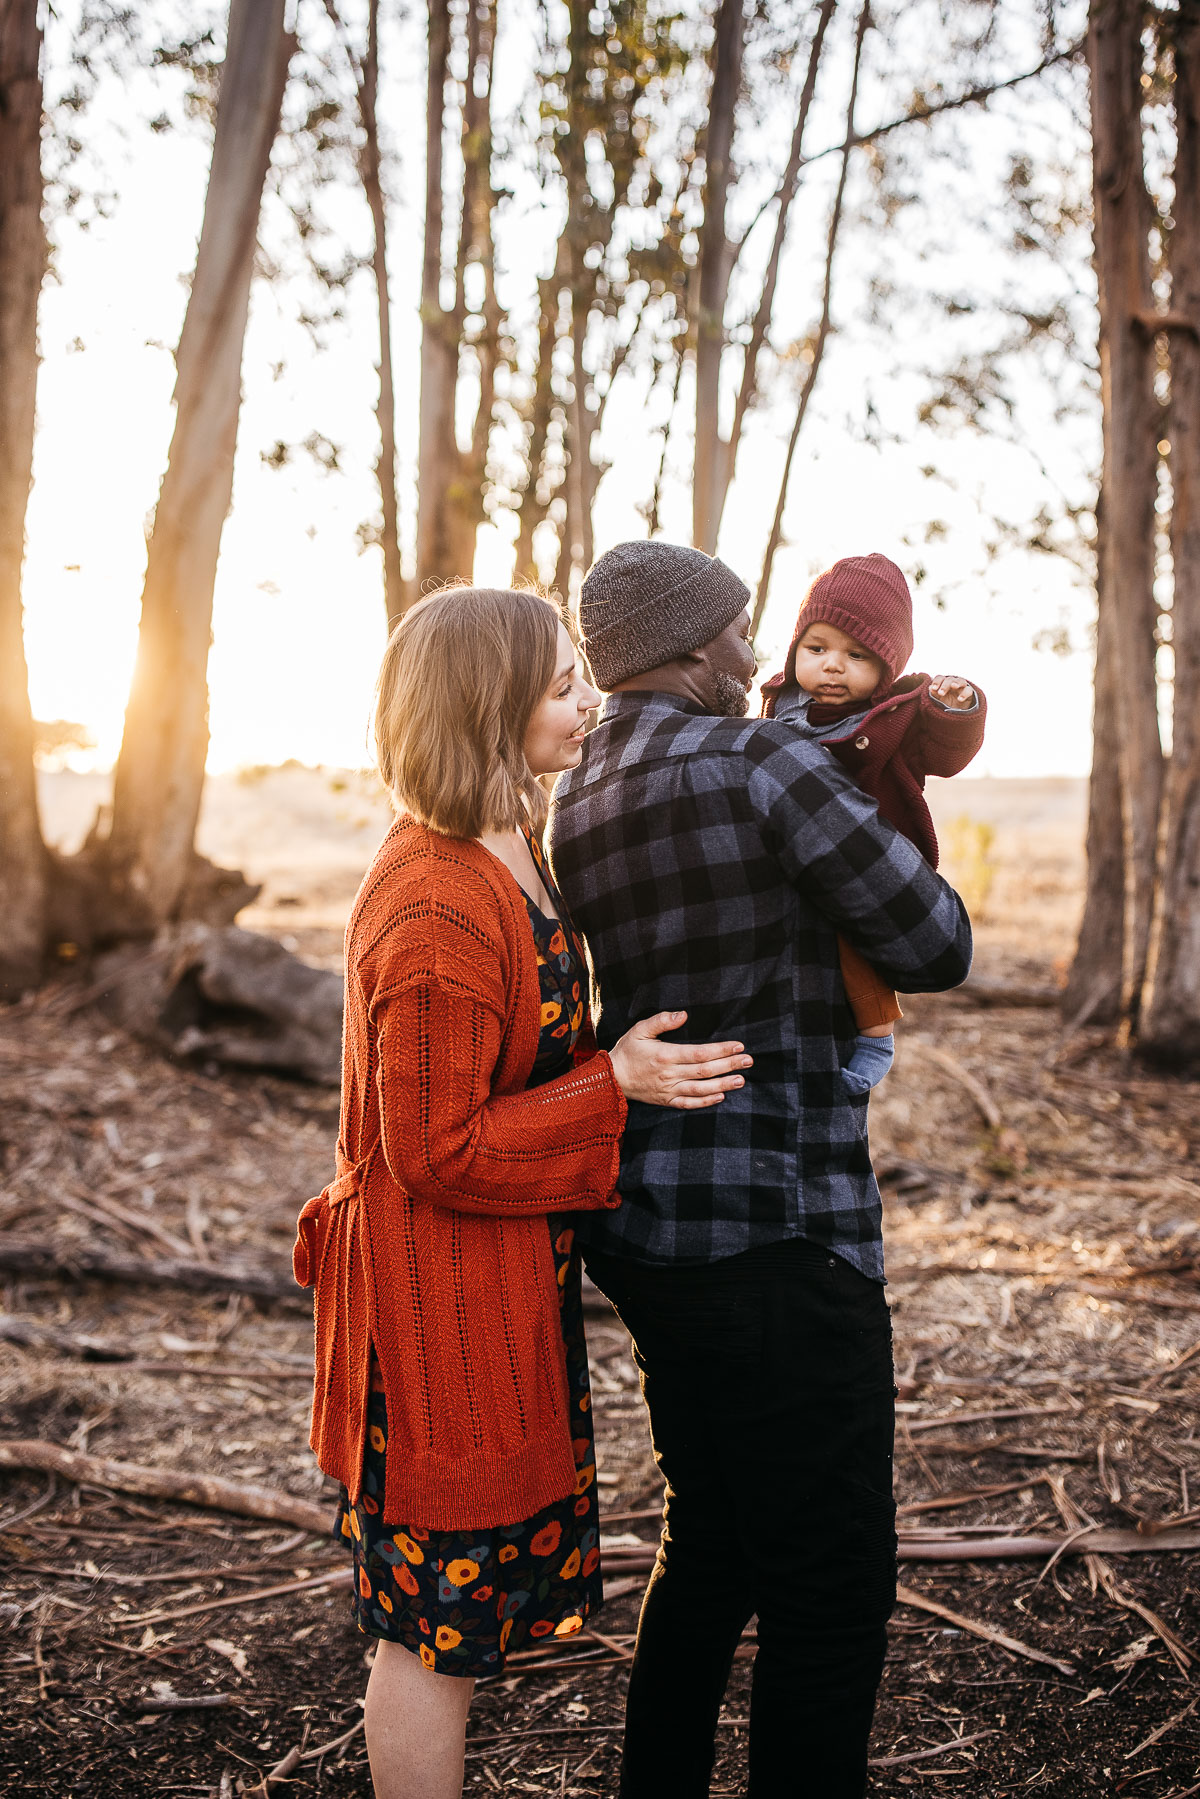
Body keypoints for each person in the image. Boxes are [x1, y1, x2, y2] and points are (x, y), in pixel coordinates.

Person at [292, 585, 752, 1799]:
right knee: (430, 1635)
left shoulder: (512, 837)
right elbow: (432, 1147)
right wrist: (619, 1083)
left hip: (496, 1285)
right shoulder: (437, 901)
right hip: (433, 1311)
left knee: (459, 1619)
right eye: (559, 684)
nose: (588, 699)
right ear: (484, 707)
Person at [546, 541, 974, 1799]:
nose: (756, 656)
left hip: (653, 1232)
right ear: (687, 651)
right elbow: (934, 939)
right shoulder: (762, 759)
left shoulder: (578, 793)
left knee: (713, 1545)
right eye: (737, 635)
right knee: (832, 1591)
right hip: (784, 1222)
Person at [760, 551, 986, 1098]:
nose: (832, 666)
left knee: (855, 947)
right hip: (794, 853)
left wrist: (956, 709)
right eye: (816, 649)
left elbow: (947, 753)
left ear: (886, 668)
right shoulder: (777, 708)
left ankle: (877, 1033)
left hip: (868, 851)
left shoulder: (901, 715)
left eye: (856, 655)